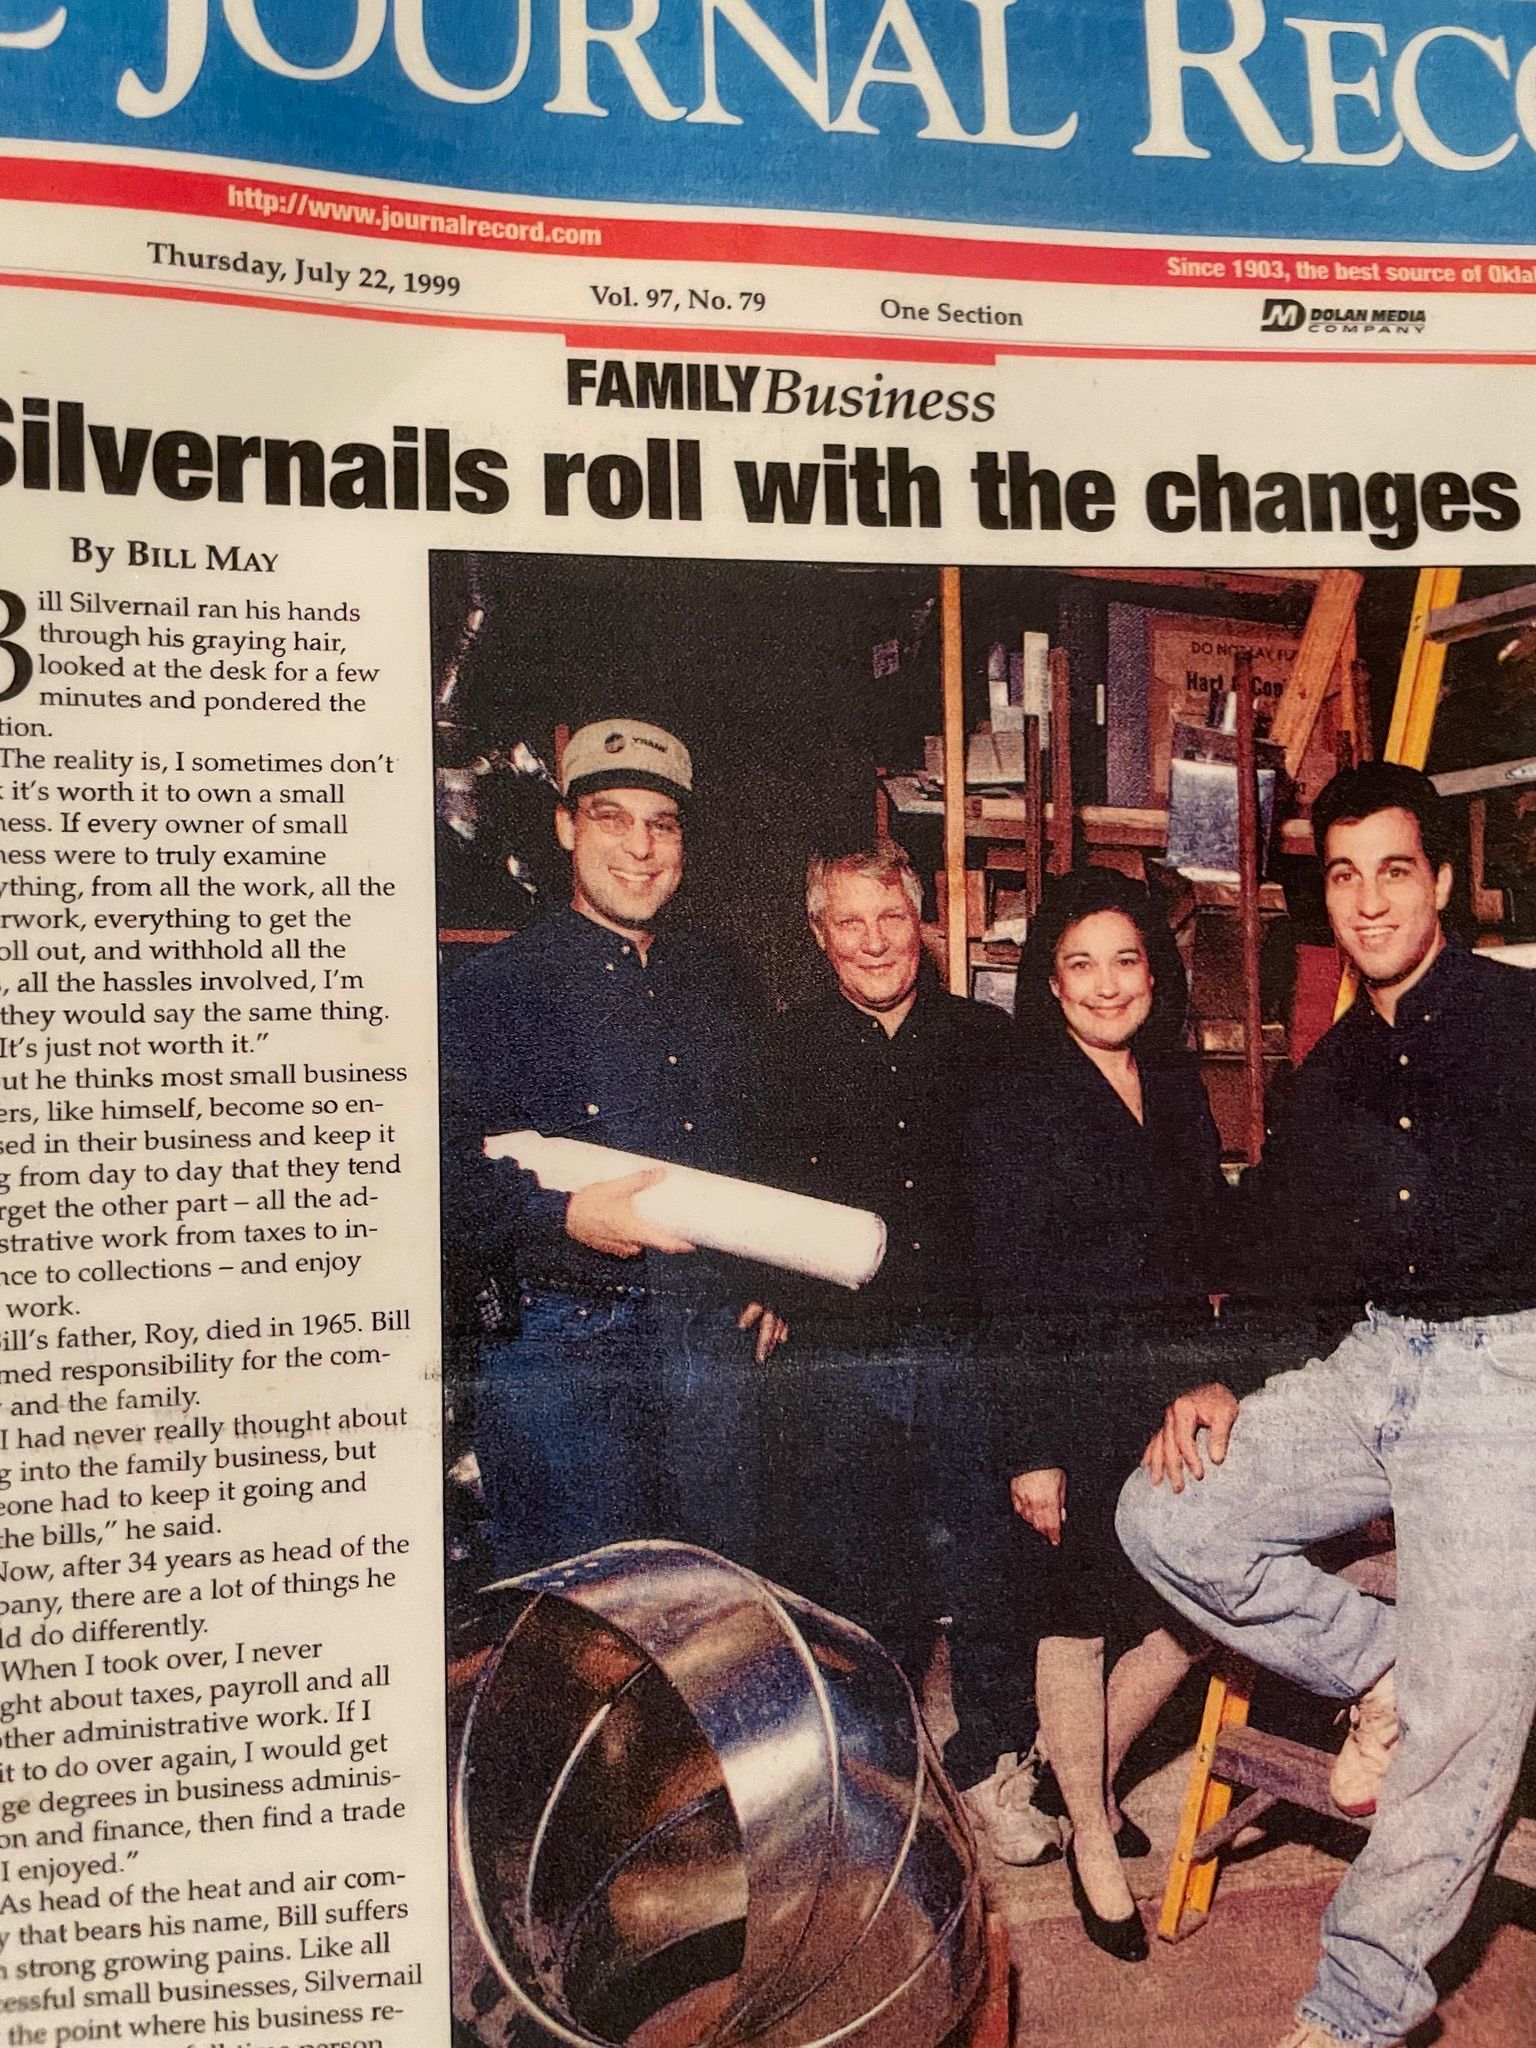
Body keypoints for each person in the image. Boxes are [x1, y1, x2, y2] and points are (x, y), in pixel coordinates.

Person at [1117, 761, 1536, 2048]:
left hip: (1505, 1370)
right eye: (1342, 876)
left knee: (1474, 1710)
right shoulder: (1332, 1063)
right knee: (1163, 1515)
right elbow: (1289, 1255)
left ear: (1444, 882)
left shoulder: (1523, 1017)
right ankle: (1380, 1672)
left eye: (1393, 870)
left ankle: (1352, 2010)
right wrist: (1210, 1374)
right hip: (1371, 1360)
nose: (1366, 902)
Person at [753, 839, 1051, 1855]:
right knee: (853, 1572)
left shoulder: (987, 1040)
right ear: (819, 932)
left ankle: (997, 1765)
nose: (874, 941)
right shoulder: (782, 1049)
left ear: (920, 920)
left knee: (988, 1571)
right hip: (845, 1355)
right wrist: (767, 1292)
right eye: (850, 922)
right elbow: (752, 1195)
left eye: (892, 917)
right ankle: (871, 1784)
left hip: (966, 1348)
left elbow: (1022, 1197)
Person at [972, 867, 1228, 1958]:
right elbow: (1002, 1276)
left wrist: (1211, 1374)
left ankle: (1068, 1773)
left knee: (1194, 1604)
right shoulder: (1020, 1094)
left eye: (1127, 958)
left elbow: (1211, 1244)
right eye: (1081, 962)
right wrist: (1032, 1447)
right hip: (1060, 1390)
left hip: (1162, 1390)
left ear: (1153, 973)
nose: (1107, 982)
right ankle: (1087, 1831)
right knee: (1074, 1621)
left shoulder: (1173, 1084)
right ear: (1051, 981)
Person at [439, 718, 763, 1578]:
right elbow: (427, 1175)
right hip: (562, 1345)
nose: (641, 848)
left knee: (711, 1608)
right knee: (588, 1620)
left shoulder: (718, 983)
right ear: (565, 827)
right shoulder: (490, 989)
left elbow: (758, 1145)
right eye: (612, 817)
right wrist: (565, 1214)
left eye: (662, 823)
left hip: (704, 1340)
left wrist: (771, 1278)